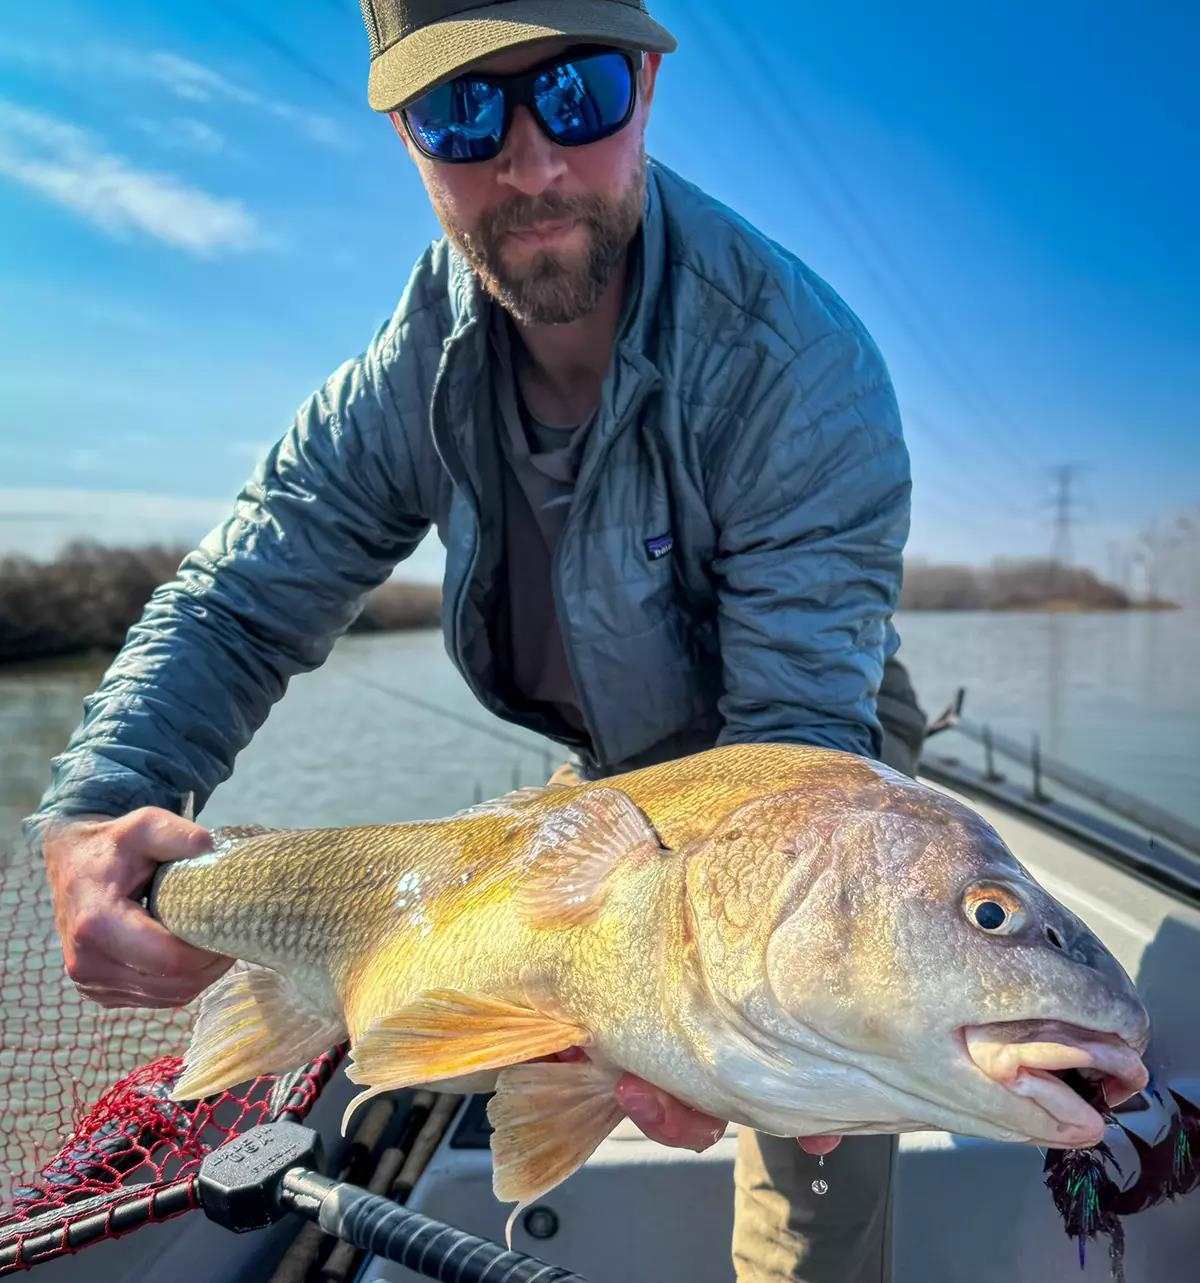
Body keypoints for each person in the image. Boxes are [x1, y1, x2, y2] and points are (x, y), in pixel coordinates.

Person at [31, 2, 925, 1279]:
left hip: (800, 778)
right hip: (612, 774)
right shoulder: (408, 371)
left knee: (809, 1114)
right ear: (405, 138)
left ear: (649, 92)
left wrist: (700, 1006)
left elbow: (787, 761)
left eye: (577, 94)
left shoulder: (797, 367)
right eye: (462, 111)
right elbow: (238, 602)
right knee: (535, 1008)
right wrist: (100, 805)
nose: (531, 161)